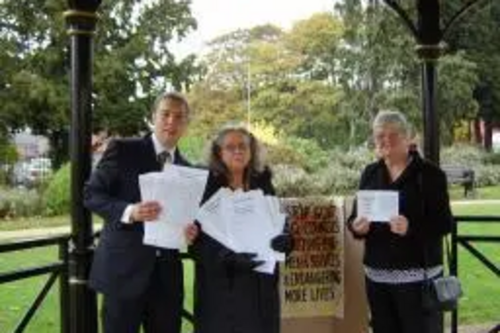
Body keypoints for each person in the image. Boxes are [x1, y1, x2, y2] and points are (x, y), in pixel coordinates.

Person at [84, 92, 191, 333]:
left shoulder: (188, 170)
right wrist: (130, 211)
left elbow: (186, 221)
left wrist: (190, 230)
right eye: (165, 114)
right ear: (154, 117)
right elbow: (91, 195)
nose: (171, 122)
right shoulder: (123, 150)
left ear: (185, 124)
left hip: (167, 281)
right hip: (123, 274)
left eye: (179, 117)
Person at [347, 110, 454, 333]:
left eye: (392, 135)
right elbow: (356, 217)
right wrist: (356, 227)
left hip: (419, 280)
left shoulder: (429, 175)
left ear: (407, 137)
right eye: (379, 136)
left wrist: (411, 227)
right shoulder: (370, 173)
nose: (385, 140)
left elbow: (445, 223)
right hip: (377, 279)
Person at [185, 125, 293, 333]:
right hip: (221, 287)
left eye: (243, 146)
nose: (238, 151)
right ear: (219, 152)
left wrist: (287, 239)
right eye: (230, 147)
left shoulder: (263, 181)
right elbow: (195, 238)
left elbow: (277, 220)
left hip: (259, 283)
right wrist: (227, 257)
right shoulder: (205, 185)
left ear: (251, 150)